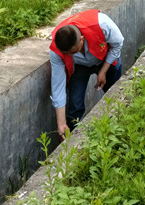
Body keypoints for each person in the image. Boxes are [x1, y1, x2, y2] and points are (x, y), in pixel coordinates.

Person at [49, 9, 124, 138]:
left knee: (115, 93)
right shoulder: (56, 50)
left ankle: (120, 125)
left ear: (81, 40)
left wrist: (103, 71)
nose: (71, 55)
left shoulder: (102, 24)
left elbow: (117, 44)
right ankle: (71, 139)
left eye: (74, 51)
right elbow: (58, 85)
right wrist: (61, 123)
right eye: (68, 54)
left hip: (106, 58)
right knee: (75, 104)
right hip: (79, 67)